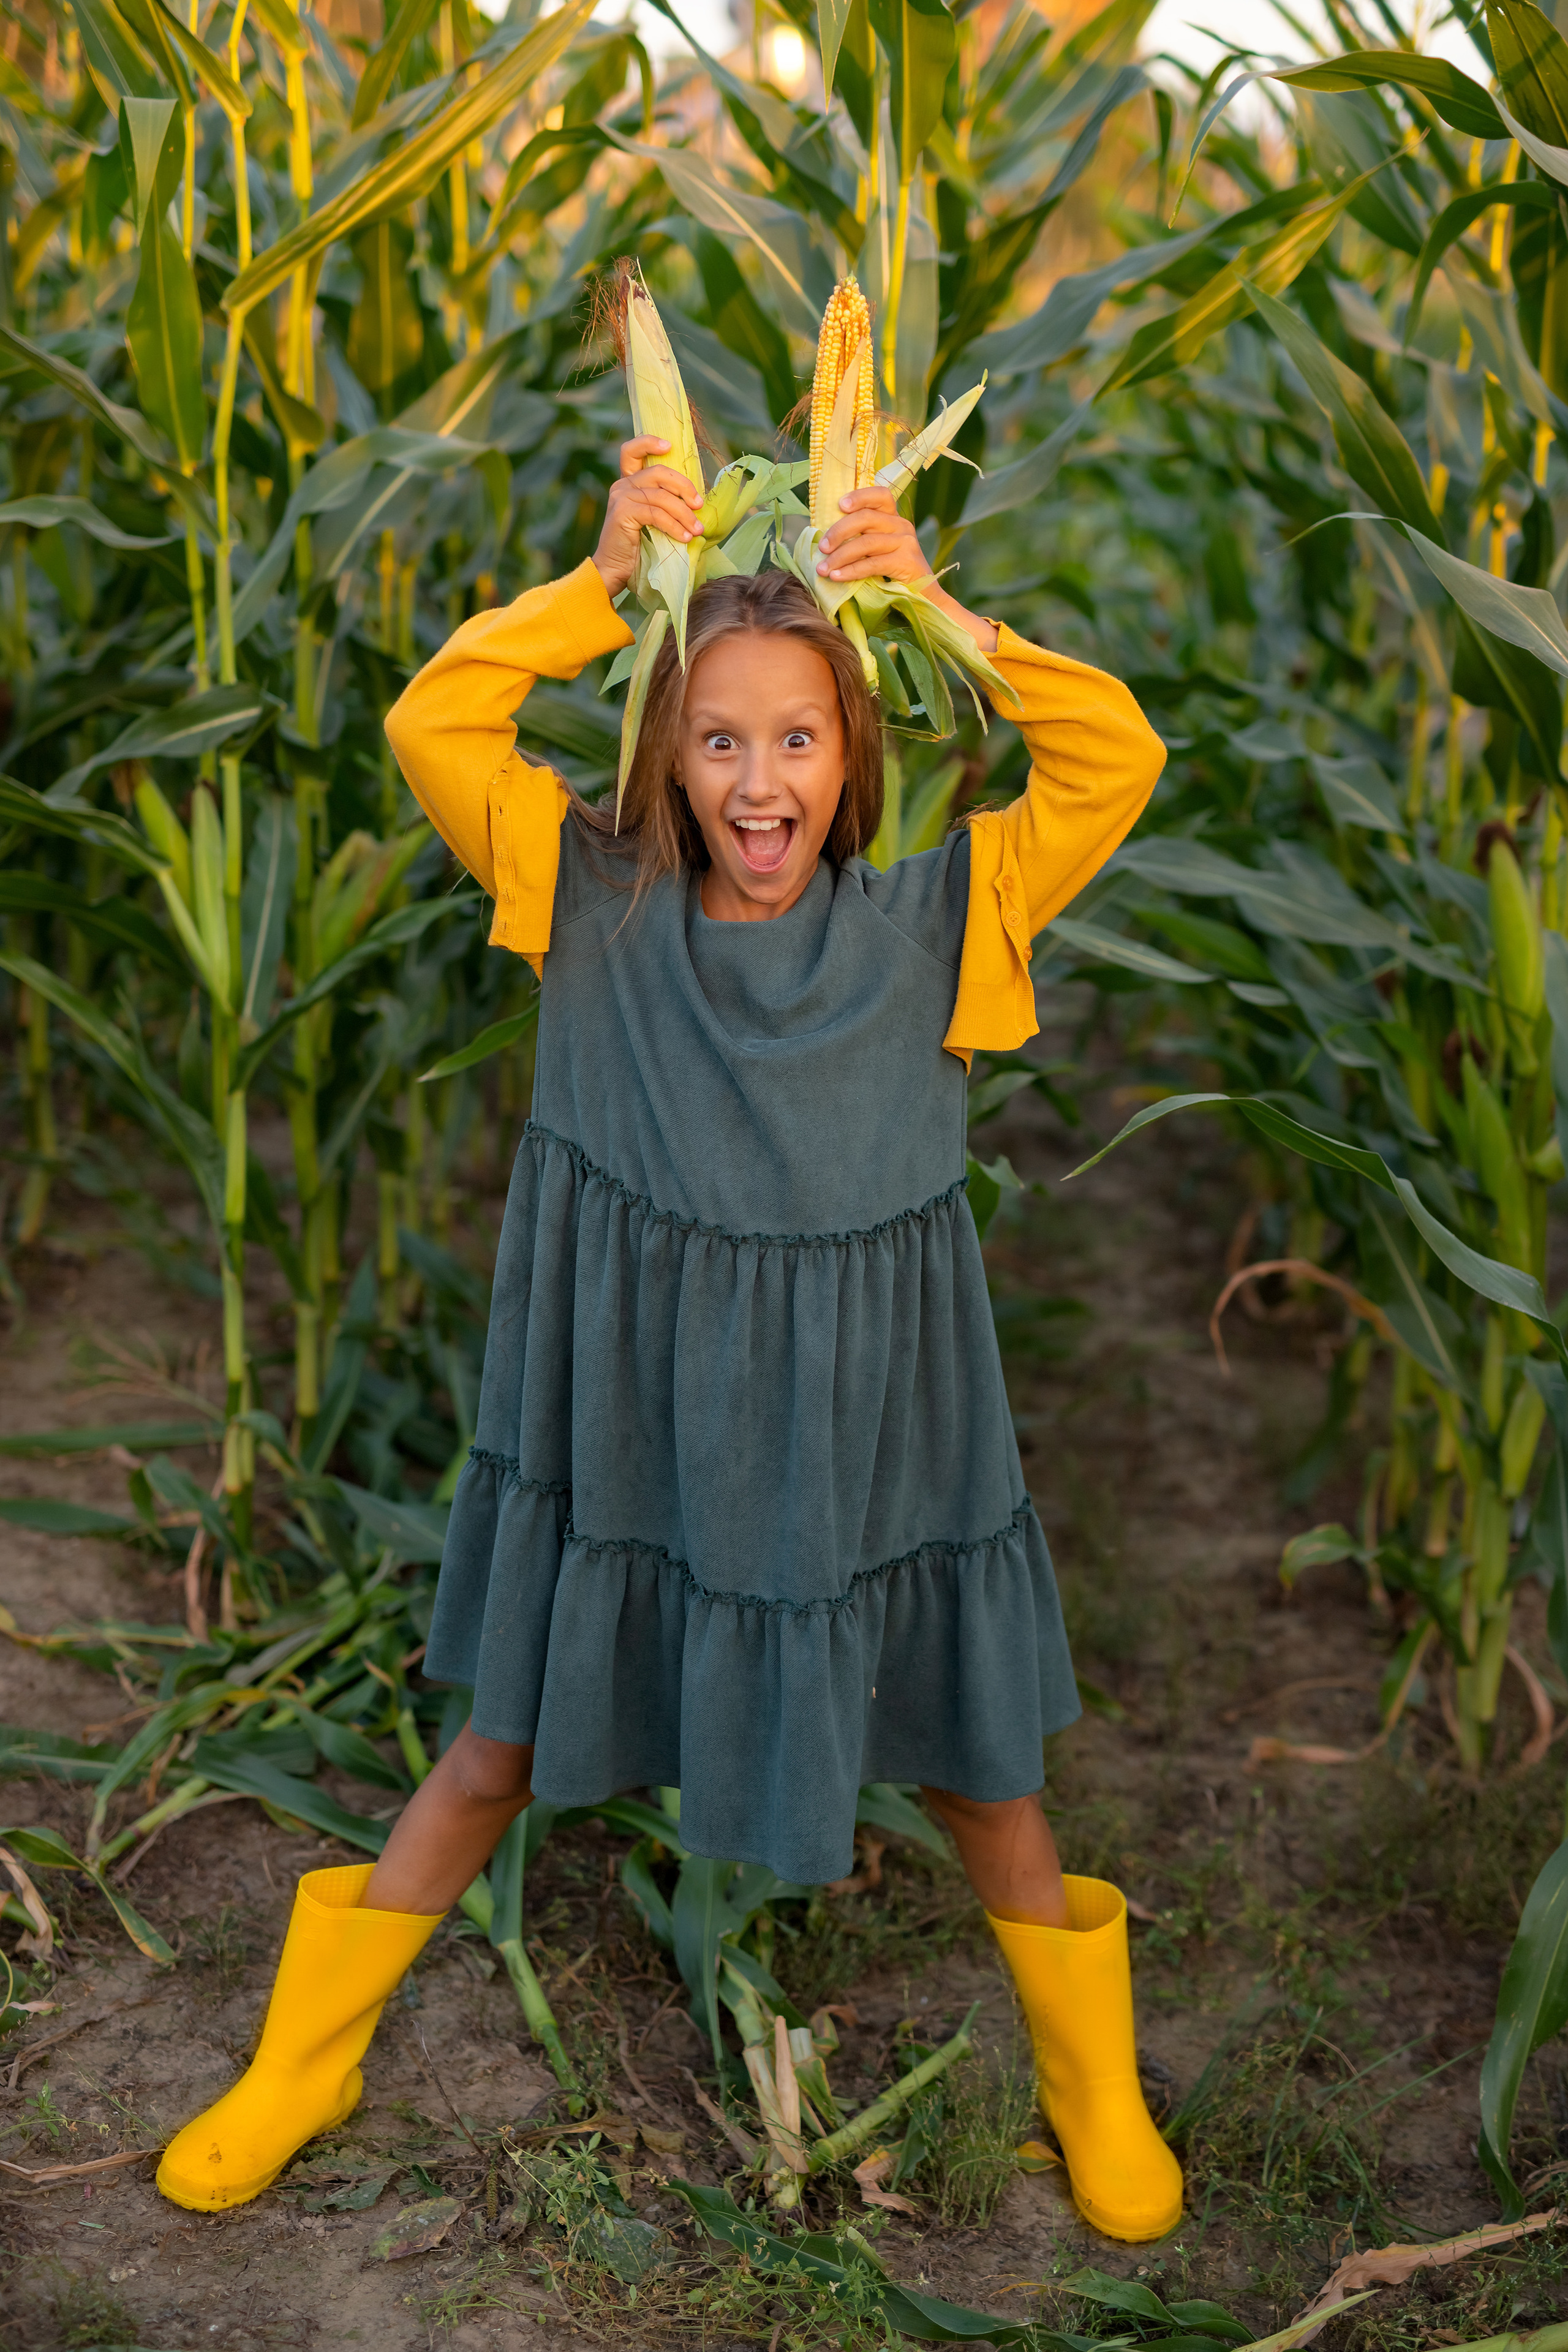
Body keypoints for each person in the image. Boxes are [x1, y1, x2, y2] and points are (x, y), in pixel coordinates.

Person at [156, 435, 1178, 2241]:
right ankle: (302, 2060)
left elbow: (1118, 754)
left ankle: (1092, 2091)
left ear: (856, 753)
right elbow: (434, 727)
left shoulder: (948, 919)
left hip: (871, 1442)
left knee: (978, 1768)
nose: (759, 778)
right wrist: (602, 582)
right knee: (500, 1750)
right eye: (719, 739)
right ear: (665, 754)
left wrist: (938, 610)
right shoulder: (589, 902)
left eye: (800, 735)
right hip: (645, 1434)